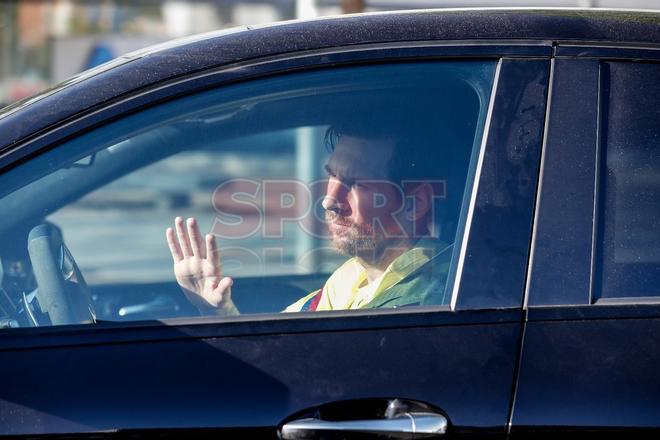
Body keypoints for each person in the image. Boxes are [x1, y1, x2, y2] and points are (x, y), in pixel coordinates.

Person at [165, 122, 454, 316]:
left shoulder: (421, 301)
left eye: (356, 183)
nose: (329, 199)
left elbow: (296, 375)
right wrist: (218, 310)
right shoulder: (354, 277)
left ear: (416, 202)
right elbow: (283, 350)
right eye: (332, 175)